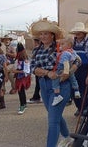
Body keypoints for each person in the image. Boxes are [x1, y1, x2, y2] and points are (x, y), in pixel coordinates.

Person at [30, 18, 80, 147]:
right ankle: (68, 138)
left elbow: (77, 60)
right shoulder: (36, 50)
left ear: (52, 35)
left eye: (46, 33)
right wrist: (47, 73)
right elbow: (32, 68)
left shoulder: (60, 47)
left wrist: (69, 71)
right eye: (41, 34)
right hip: (44, 85)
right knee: (54, 115)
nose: (43, 36)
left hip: (61, 85)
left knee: (52, 120)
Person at [69, 22, 88, 116]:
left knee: (84, 91)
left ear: (84, 33)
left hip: (85, 69)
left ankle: (85, 109)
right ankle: (79, 107)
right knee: (74, 91)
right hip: (74, 69)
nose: (77, 33)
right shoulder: (72, 42)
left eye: (79, 32)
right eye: (76, 32)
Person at [51, 36, 81, 106]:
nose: (60, 46)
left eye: (62, 44)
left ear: (69, 45)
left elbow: (66, 63)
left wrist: (66, 72)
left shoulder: (65, 53)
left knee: (55, 81)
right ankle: (76, 91)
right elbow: (78, 59)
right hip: (70, 66)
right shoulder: (72, 51)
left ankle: (57, 95)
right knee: (73, 79)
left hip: (62, 67)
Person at [12, 47, 31, 115]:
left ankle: (22, 105)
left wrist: (17, 71)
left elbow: (27, 71)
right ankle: (24, 104)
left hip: (23, 78)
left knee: (21, 91)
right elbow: (14, 68)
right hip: (19, 78)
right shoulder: (17, 60)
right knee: (21, 91)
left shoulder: (26, 60)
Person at [27, 36, 42, 104]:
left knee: (39, 83)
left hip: (38, 69)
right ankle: (36, 96)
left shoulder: (36, 49)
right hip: (40, 69)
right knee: (39, 84)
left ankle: (36, 97)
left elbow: (34, 59)